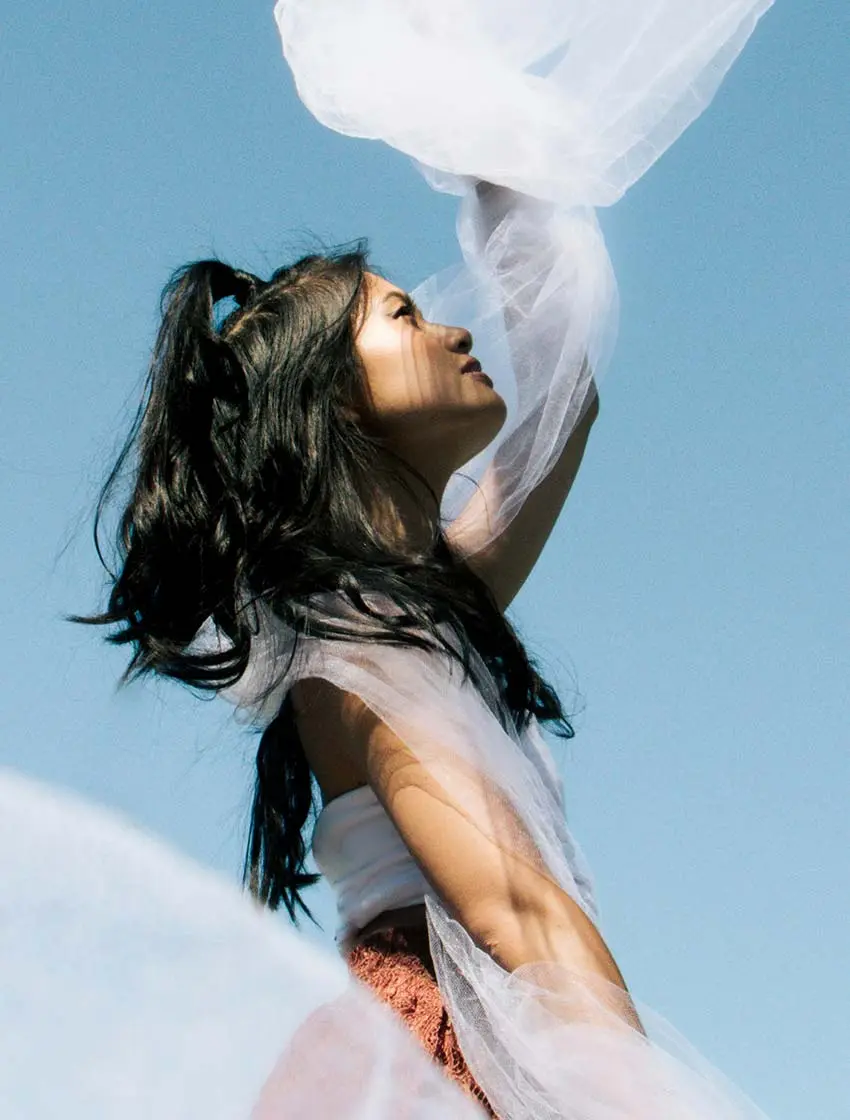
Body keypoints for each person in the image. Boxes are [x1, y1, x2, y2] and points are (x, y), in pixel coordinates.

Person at [77, 1, 778, 1115]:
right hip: (445, 1052)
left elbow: (564, 388)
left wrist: (479, 129)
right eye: (403, 317)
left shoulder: (430, 602)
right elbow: (519, 915)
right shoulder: (357, 651)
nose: (453, 329)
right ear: (330, 408)